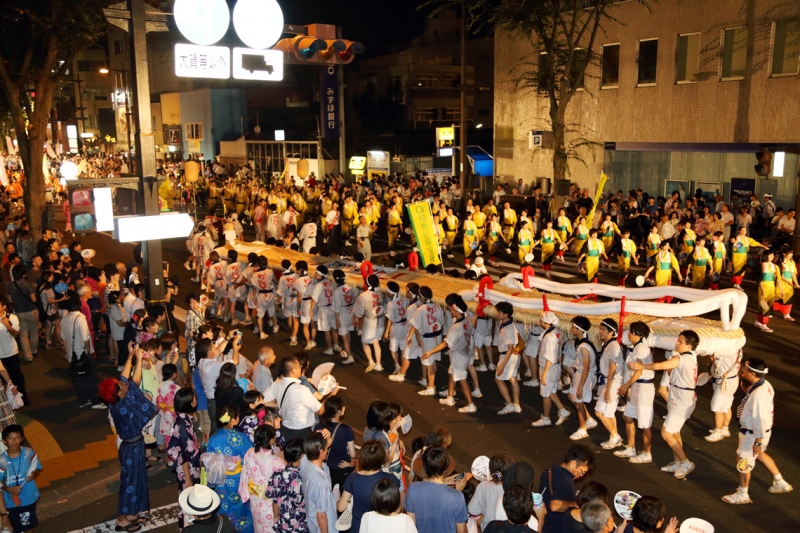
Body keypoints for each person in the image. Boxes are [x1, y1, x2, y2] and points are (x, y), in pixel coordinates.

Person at [99, 347, 159, 532]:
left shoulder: (116, 400)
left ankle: (132, 513)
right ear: (118, 393)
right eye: (121, 386)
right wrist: (138, 360)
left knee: (136, 480)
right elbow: (135, 380)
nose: (124, 384)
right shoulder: (123, 406)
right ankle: (122, 519)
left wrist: (132, 355)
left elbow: (126, 379)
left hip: (131, 446)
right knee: (130, 484)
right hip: (132, 448)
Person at [628, 330, 699, 480]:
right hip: (679, 397)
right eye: (677, 340)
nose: (677, 343)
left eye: (681, 341)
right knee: (674, 432)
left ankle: (686, 462)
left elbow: (660, 365)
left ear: (689, 345)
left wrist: (641, 366)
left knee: (666, 433)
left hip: (682, 400)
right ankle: (678, 462)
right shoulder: (691, 356)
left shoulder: (683, 359)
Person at [722, 358, 793, 504]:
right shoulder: (765, 384)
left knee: (743, 461)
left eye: (746, 370)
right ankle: (780, 481)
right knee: (759, 455)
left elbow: (759, 419)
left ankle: (743, 494)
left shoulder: (758, 394)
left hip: (753, 434)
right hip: (761, 432)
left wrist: (758, 442)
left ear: (753, 374)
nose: (743, 372)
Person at [207, 405, 254, 533]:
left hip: (221, 480)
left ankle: (224, 529)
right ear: (232, 420)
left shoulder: (212, 440)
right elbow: (250, 458)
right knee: (243, 509)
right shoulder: (242, 438)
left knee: (223, 507)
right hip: (239, 480)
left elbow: (209, 462)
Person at [337, 441, 402, 533]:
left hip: (358, 527)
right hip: (382, 528)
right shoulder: (391, 479)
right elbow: (398, 509)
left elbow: (341, 507)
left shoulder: (353, 477)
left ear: (362, 458)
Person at [264, 356, 333, 442]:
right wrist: (332, 394)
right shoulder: (302, 390)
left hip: (285, 429)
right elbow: (320, 410)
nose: (301, 368)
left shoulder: (276, 384)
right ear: (293, 370)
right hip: (302, 432)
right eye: (299, 366)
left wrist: (279, 404)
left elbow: (264, 401)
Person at [614, 322, 655, 464]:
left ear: (638, 334)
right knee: (628, 417)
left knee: (644, 423)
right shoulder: (636, 347)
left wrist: (626, 385)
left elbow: (639, 370)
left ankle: (647, 453)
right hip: (637, 387)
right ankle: (631, 447)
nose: (628, 334)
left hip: (644, 389)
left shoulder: (642, 349)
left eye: (631, 332)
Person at [404, 445, 470, 533]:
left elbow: (410, 525)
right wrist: (456, 491)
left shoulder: (413, 489)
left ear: (425, 467)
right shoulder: (457, 497)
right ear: (445, 469)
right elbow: (461, 531)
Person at [238, 425, 286, 533]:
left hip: (255, 500)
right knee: (271, 529)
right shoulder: (277, 462)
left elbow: (245, 473)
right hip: (270, 504)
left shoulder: (250, 452)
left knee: (258, 528)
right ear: (272, 440)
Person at [166, 388, 201, 529]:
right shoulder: (183, 426)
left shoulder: (183, 418)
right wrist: (188, 477)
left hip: (190, 467)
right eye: (194, 398)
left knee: (189, 499)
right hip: (188, 470)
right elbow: (184, 454)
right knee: (188, 501)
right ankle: (186, 529)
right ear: (190, 403)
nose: (196, 400)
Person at [537, 445, 593, 533]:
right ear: (573, 463)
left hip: (541, 521)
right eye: (582, 471)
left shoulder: (549, 471)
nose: (582, 475)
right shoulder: (566, 482)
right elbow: (554, 506)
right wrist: (577, 504)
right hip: (553, 528)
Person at [61, 297, 104, 409]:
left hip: (72, 353)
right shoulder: (80, 318)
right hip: (82, 352)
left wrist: (67, 353)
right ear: (79, 306)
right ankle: (95, 401)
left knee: (78, 378)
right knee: (90, 377)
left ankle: (83, 400)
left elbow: (63, 338)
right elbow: (85, 337)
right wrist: (88, 350)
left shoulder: (64, 319)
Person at [0, 424, 42, 533]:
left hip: (28, 497)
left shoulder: (29, 453)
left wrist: (33, 474)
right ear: (4, 441)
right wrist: (8, 489)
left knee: (29, 526)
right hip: (10, 501)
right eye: (10, 438)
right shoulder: (1, 460)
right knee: (14, 527)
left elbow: (37, 467)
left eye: (17, 437)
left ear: (22, 439)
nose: (14, 441)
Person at [531, 310, 569, 427]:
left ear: (544, 322)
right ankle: (563, 411)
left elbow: (550, 357)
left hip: (549, 367)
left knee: (546, 394)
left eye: (541, 319)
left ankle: (546, 418)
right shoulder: (556, 331)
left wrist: (544, 374)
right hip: (555, 366)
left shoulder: (549, 336)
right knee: (551, 391)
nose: (539, 321)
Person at [265, 437, 308, 533]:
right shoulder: (306, 476)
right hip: (304, 522)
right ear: (302, 455)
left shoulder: (278, 474)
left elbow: (274, 499)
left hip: (285, 522)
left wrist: (276, 517)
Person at [314, 395, 356, 489]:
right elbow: (353, 454)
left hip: (325, 467)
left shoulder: (318, 427)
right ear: (339, 412)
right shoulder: (346, 429)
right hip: (342, 468)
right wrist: (350, 464)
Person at [566, 316, 598, 441]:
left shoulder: (584, 347)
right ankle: (589, 419)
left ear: (579, 330)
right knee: (571, 397)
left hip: (584, 375)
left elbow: (586, 367)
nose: (571, 329)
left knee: (578, 402)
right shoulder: (582, 343)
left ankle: (582, 429)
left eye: (573, 327)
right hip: (580, 374)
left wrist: (580, 386)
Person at [300, 432, 337, 533]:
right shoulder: (320, 482)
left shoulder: (305, 461)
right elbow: (321, 515)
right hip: (323, 528)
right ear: (321, 452)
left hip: (312, 522)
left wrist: (322, 436)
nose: (328, 448)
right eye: (326, 447)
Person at [410, 286, 444, 397]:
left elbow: (415, 325)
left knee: (429, 363)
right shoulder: (437, 306)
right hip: (437, 337)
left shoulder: (420, 309)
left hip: (428, 339)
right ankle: (431, 384)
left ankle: (430, 387)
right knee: (433, 362)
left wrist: (412, 337)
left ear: (421, 297)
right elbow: (442, 321)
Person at [468, 453, 513, 531]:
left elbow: (472, 509)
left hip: (487, 528)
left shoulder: (483, 486)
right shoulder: (512, 491)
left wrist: (479, 518)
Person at [493, 302, 521, 415]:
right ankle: (516, 404)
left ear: (506, 314)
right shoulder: (507, 323)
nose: (497, 314)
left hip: (508, 356)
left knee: (498, 379)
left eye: (499, 312)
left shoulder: (508, 328)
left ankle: (509, 404)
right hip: (515, 355)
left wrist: (502, 365)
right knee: (513, 379)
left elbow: (509, 348)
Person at [353, 275, 386, 372]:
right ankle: (378, 364)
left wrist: (357, 320)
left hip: (370, 321)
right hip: (381, 319)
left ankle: (371, 361)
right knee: (376, 341)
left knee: (365, 341)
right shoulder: (381, 293)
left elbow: (359, 313)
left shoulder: (363, 295)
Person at [754, 249, 783, 333]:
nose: (772, 257)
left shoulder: (775, 266)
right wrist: (762, 289)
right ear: (766, 255)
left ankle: (758, 321)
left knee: (769, 305)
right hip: (764, 287)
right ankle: (764, 325)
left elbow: (778, 279)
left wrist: (781, 290)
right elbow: (759, 279)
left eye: (773, 255)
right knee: (764, 306)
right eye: (770, 255)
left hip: (771, 287)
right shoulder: (762, 265)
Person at [775, 246, 799, 320]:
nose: (791, 255)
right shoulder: (780, 263)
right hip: (782, 283)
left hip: (789, 283)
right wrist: (788, 281)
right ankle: (767, 312)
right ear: (784, 254)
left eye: (792, 253)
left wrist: (796, 283)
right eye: (790, 253)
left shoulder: (792, 262)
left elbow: (793, 274)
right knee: (777, 297)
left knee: (789, 298)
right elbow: (779, 276)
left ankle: (787, 314)